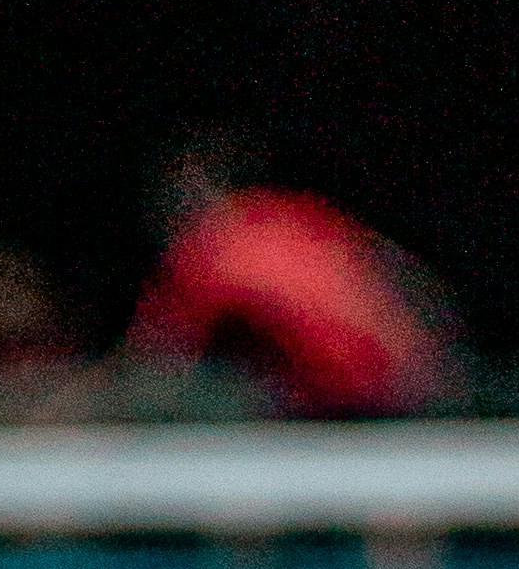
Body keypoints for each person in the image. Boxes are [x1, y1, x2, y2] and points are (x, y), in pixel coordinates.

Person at [122, 155, 462, 416]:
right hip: (412, 375)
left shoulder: (213, 250)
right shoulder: (284, 216)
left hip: (358, 397)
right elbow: (399, 272)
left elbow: (159, 357)